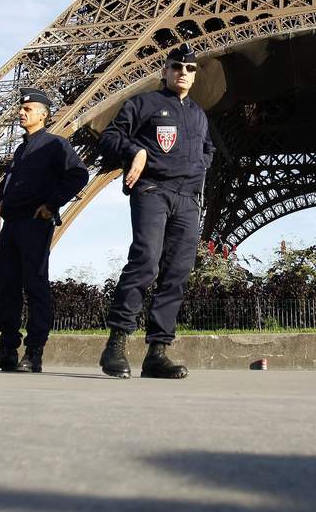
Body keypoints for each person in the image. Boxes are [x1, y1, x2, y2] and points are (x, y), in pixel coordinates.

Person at [96, 43, 214, 379]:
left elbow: (209, 149)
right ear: (164, 70)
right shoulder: (143, 104)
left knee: (177, 272)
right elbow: (109, 138)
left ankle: (157, 351)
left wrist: (200, 168)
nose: (183, 73)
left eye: (190, 69)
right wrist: (136, 150)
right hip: (153, 191)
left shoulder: (198, 114)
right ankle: (116, 344)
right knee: (146, 261)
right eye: (177, 67)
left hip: (188, 199)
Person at [0, 88, 88, 373]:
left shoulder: (55, 144)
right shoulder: (22, 149)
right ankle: (7, 349)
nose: (21, 112)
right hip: (11, 224)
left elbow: (79, 174)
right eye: (21, 109)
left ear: (44, 115)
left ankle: (34, 351)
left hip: (35, 223)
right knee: (7, 285)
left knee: (35, 285)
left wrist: (51, 204)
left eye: (28, 109)